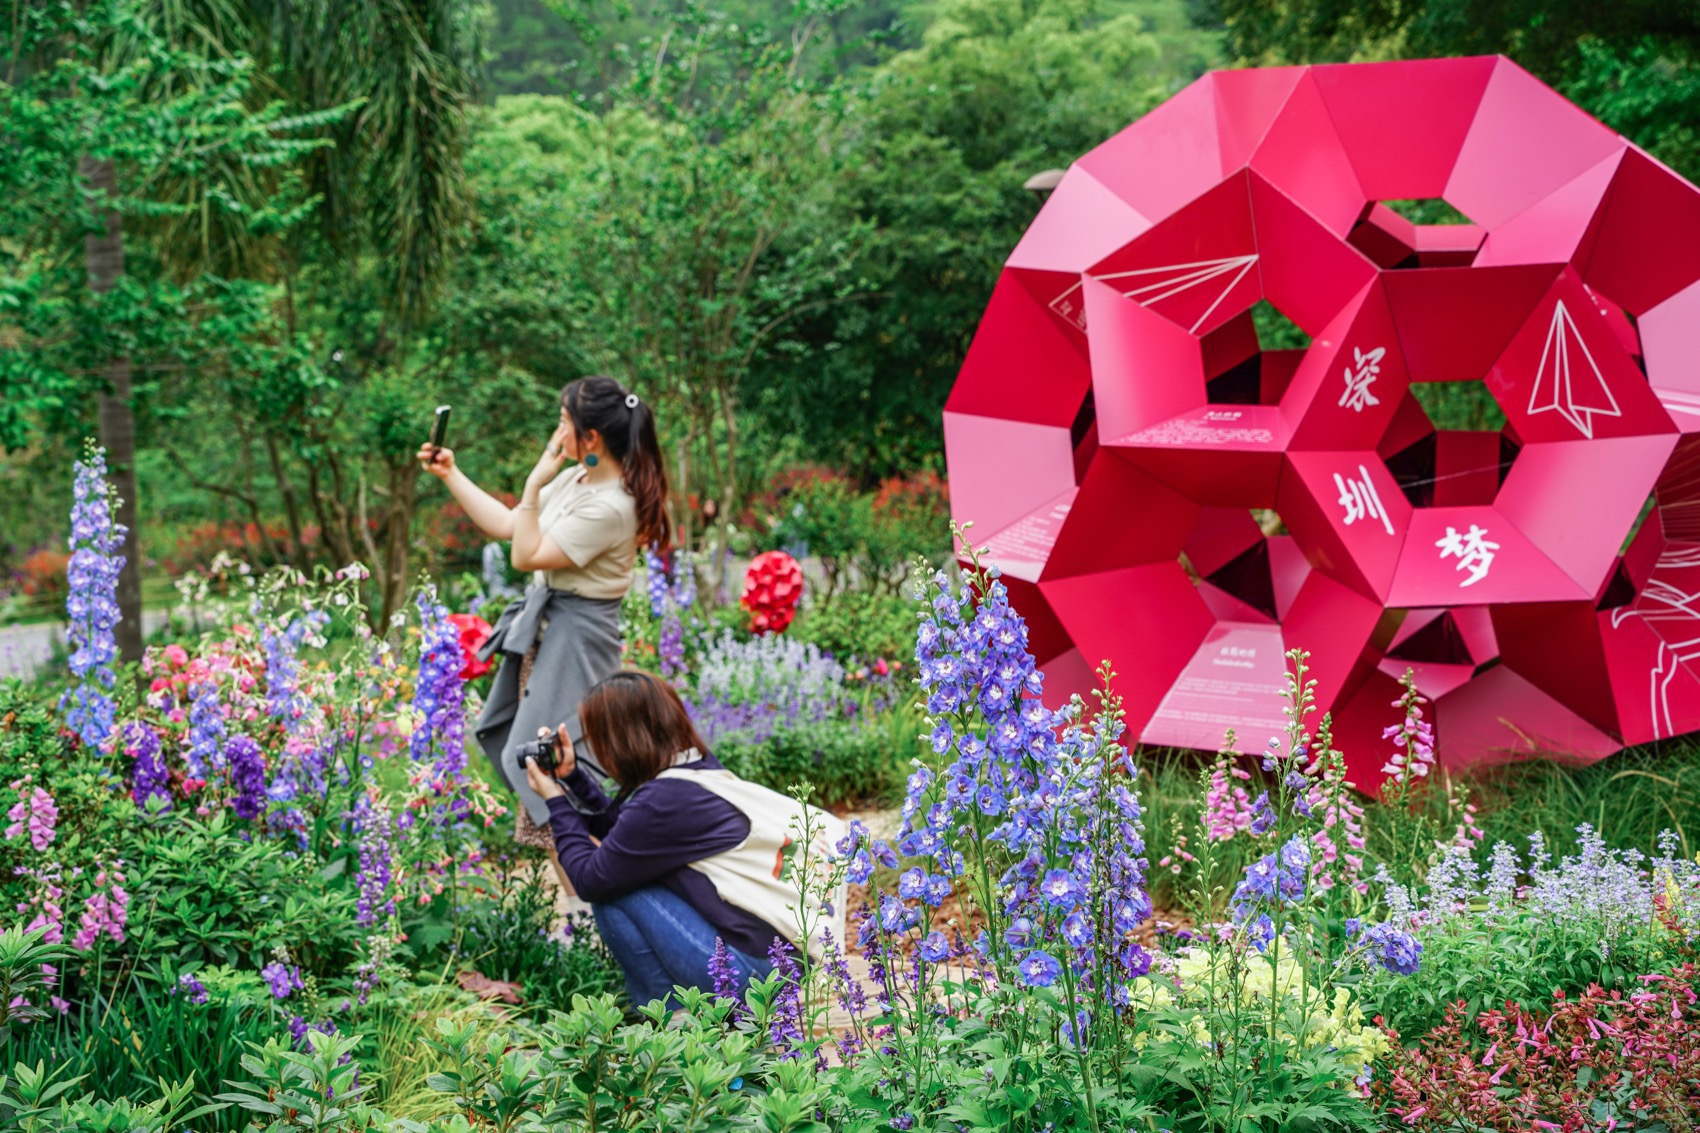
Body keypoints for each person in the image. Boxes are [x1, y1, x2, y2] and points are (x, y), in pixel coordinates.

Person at [417, 377, 671, 889]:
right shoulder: (578, 481)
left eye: (564, 421)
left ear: (591, 437)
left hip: (577, 639)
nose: (557, 431)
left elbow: (525, 555)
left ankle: (608, 899)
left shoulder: (612, 506)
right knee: (542, 769)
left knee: (561, 769)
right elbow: (515, 526)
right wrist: (452, 474)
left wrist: (534, 483)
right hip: (548, 631)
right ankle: (594, 905)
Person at [524, 670, 847, 1007]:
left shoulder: (662, 801)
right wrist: (573, 778)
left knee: (611, 894)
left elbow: (590, 879)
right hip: (784, 963)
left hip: (754, 975)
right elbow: (628, 837)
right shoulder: (695, 766)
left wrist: (555, 801)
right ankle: (689, 1024)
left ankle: (668, 1022)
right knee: (619, 874)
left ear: (619, 740)